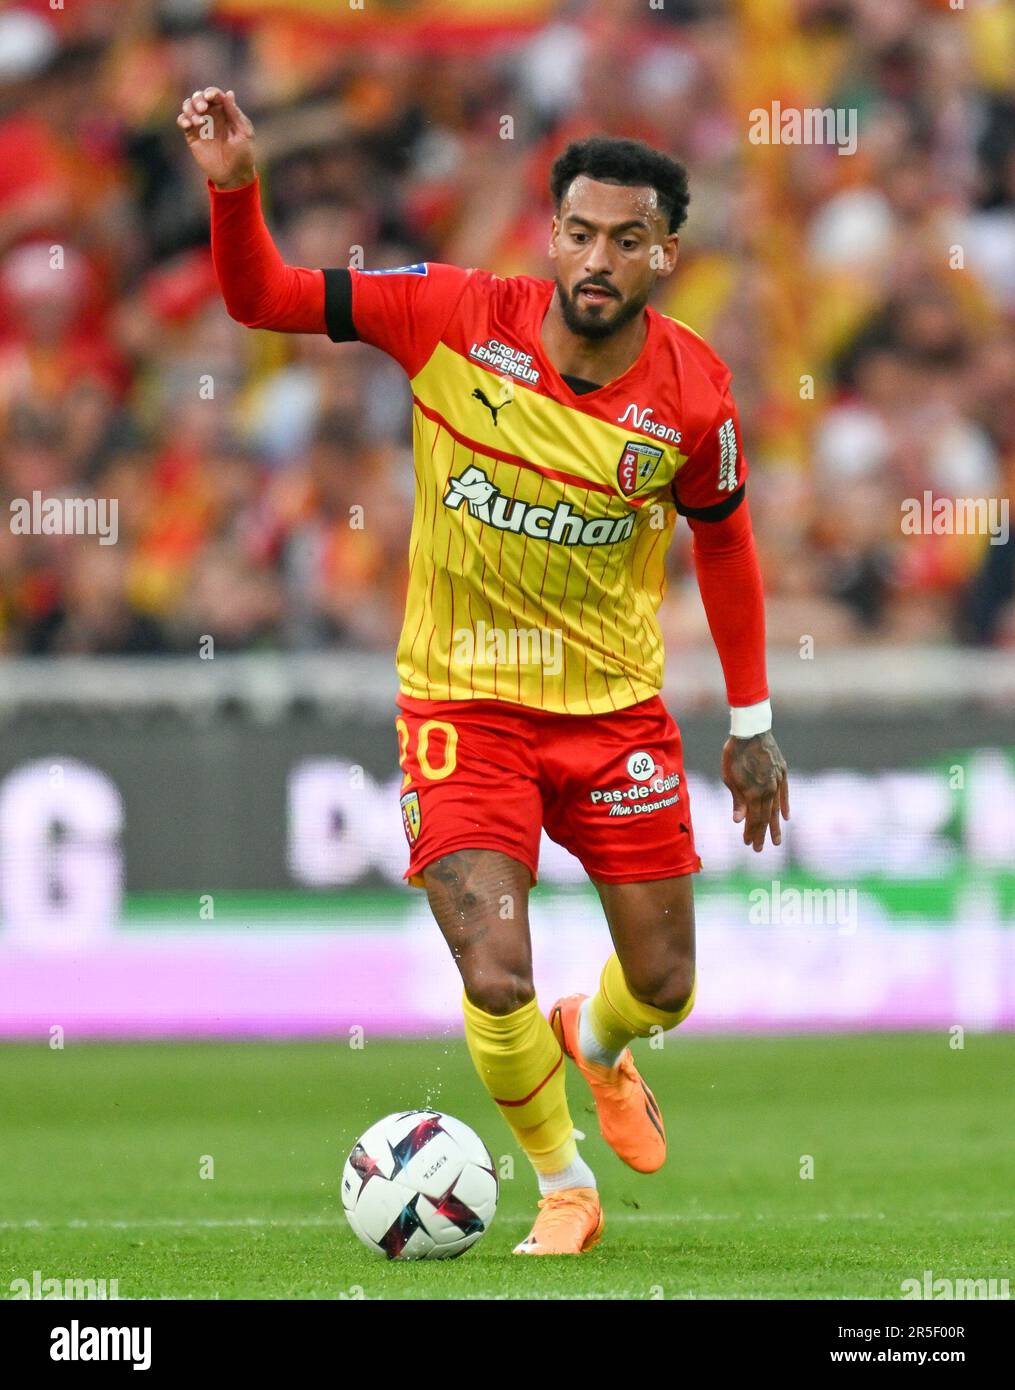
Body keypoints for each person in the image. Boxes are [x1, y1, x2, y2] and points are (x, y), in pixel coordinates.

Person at [179, 86, 790, 1256]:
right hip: (461, 704)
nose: (596, 258)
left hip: (613, 715)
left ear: (667, 252)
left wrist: (753, 719)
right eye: (577, 231)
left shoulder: (695, 395)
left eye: (625, 238)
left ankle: (598, 1040)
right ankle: (564, 1186)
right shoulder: (455, 314)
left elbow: (725, 540)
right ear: (549, 234)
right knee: (493, 969)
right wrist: (232, 184)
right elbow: (261, 297)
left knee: (665, 984)